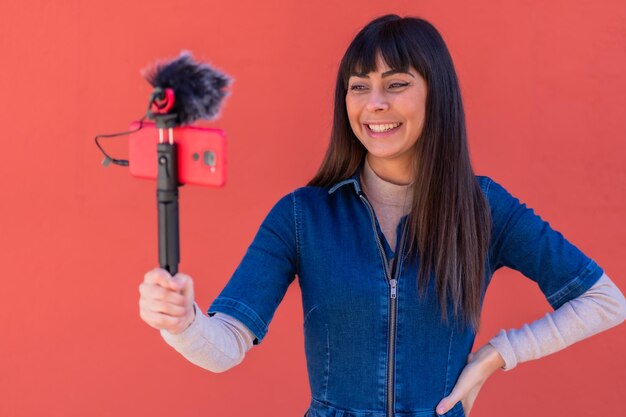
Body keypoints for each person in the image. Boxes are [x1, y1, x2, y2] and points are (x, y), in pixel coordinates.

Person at [138, 14, 626, 417]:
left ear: (436, 95)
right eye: (358, 86)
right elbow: (226, 345)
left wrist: (497, 356)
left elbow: (606, 301)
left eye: (396, 84)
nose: (375, 104)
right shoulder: (302, 216)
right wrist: (181, 322)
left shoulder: (482, 207)